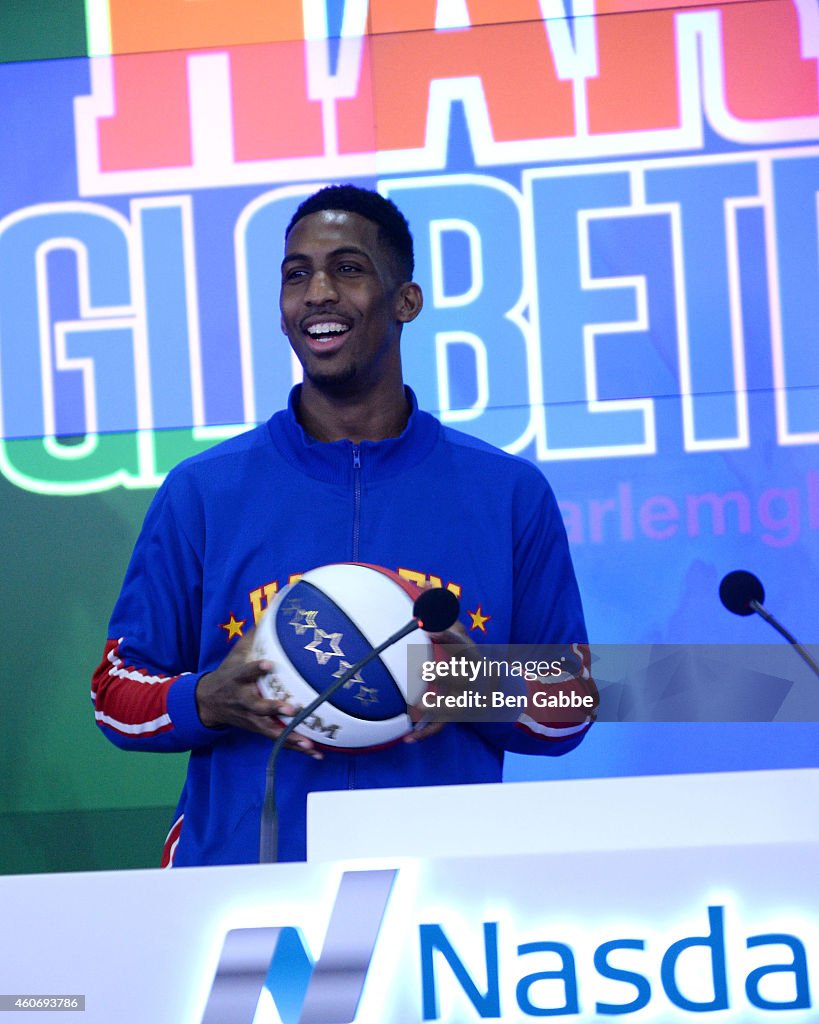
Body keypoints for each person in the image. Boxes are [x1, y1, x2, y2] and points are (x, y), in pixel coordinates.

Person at [92, 185, 594, 867]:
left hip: (443, 896)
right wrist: (206, 698)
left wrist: (478, 688)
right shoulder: (204, 491)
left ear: (405, 301)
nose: (317, 292)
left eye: (348, 269)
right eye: (296, 275)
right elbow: (117, 690)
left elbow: (569, 699)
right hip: (240, 888)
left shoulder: (505, 492)